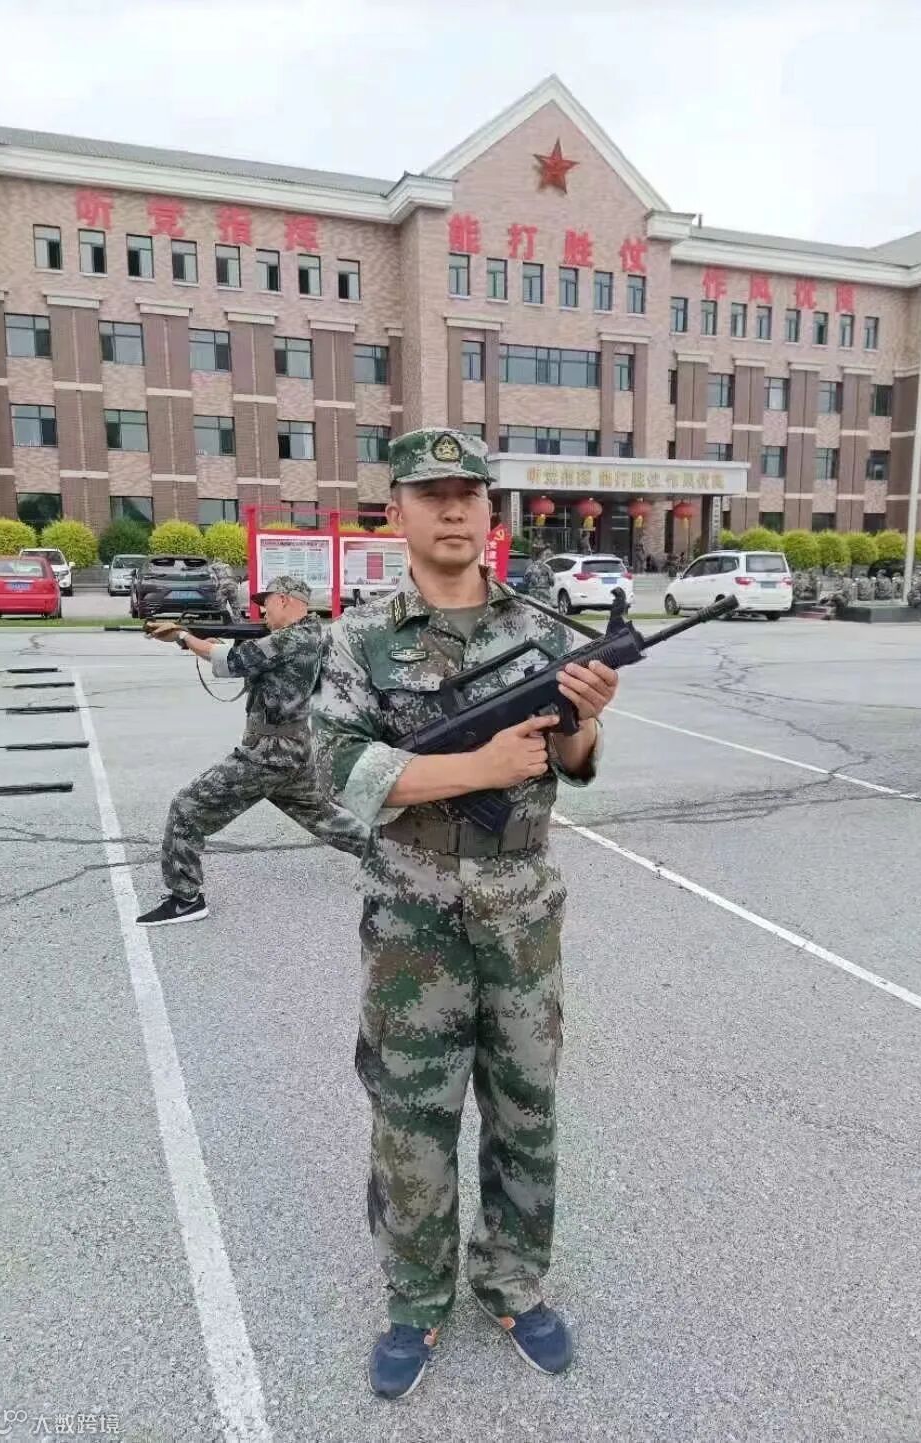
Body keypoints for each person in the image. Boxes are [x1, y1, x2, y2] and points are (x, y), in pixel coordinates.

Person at [313, 428, 618, 1400]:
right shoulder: (360, 638)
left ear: (490, 512)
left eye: (469, 494)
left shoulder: (542, 626)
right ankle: (415, 1300)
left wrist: (587, 719)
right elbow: (338, 770)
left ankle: (514, 1283)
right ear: (396, 512)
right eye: (431, 493)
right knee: (412, 1118)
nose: (452, 509)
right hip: (411, 923)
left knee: (526, 1110)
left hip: (522, 912)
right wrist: (473, 768)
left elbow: (573, 760)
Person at [136, 576, 366, 925]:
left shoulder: (289, 639)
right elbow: (251, 660)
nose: (262, 611)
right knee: (326, 818)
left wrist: (183, 638)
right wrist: (207, 642)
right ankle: (391, 860)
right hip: (295, 748)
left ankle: (186, 899)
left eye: (267, 603)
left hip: (267, 754)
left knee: (186, 807)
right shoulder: (314, 634)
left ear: (285, 600)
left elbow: (231, 662)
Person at [522, 541, 555, 607]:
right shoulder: (547, 567)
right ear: (541, 556)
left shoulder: (530, 567)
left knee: (534, 609)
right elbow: (552, 582)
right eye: (544, 555)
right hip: (544, 592)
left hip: (533, 592)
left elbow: (525, 581)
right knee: (545, 610)